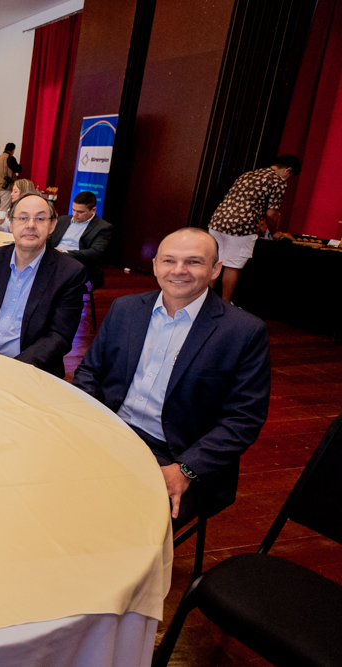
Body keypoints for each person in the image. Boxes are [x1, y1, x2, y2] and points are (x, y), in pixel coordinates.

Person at [72, 228, 270, 525]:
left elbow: (244, 419)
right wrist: (87, 425)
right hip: (110, 431)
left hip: (178, 455)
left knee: (116, 525)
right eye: (169, 260)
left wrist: (186, 469)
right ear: (155, 266)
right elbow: (90, 371)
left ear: (215, 269)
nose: (179, 270)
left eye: (193, 262)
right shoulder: (125, 309)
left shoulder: (244, 332)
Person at [0, 192, 87, 378]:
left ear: (52, 225)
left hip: (29, 370)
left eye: (40, 218)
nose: (31, 225)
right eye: (23, 218)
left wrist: (12, 371)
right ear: (11, 224)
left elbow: (59, 336)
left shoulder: (69, 272)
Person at [208, 155, 301, 302]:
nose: (288, 179)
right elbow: (271, 213)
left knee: (215, 263)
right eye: (290, 176)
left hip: (217, 221)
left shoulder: (248, 174)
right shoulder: (278, 181)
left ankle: (204, 302)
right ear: (287, 170)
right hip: (241, 227)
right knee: (232, 266)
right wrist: (274, 232)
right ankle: (225, 306)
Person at [47, 191, 114, 290]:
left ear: (93, 210)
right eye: (73, 210)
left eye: (81, 212)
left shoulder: (103, 227)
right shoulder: (62, 220)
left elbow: (94, 253)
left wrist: (64, 253)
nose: (75, 214)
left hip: (78, 263)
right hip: (54, 258)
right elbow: (49, 241)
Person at [0, 143, 18, 214]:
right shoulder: (10, 158)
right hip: (6, 188)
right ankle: (1, 222)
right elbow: (18, 169)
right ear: (13, 150)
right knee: (4, 210)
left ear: (5, 149)